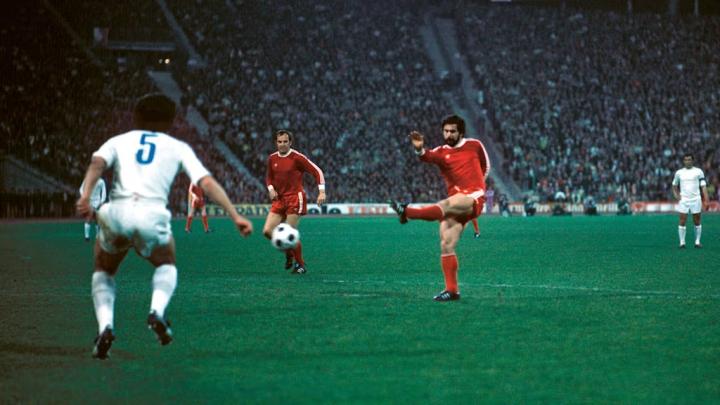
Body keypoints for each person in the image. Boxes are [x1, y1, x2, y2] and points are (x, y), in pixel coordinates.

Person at [76, 93, 253, 360]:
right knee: (166, 262)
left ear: (136, 117)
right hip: (152, 215)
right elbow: (205, 182)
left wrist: (86, 196)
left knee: (104, 269)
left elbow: (97, 164)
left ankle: (105, 328)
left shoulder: (119, 140)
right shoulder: (178, 147)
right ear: (170, 122)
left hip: (116, 212)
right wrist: (235, 215)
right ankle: (157, 311)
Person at [389, 114, 490, 302]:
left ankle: (407, 211)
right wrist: (419, 149)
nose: (448, 134)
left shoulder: (474, 145)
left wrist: (478, 187)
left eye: (452, 131)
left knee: (445, 205)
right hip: (456, 200)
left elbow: (486, 166)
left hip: (473, 197)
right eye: (446, 131)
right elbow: (427, 156)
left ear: (461, 132)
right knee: (446, 242)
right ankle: (452, 291)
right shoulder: (442, 152)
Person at [262, 130, 326, 274]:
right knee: (267, 231)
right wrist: (271, 189)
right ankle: (289, 252)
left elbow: (317, 171)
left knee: (290, 233)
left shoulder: (297, 158)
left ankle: (300, 265)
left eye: (285, 141)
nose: (282, 144)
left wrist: (321, 191)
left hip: (295, 198)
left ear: (290, 142)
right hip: (279, 200)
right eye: (280, 142)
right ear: (276, 143)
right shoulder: (272, 158)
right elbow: (269, 177)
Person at [672, 153, 709, 248]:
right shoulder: (679, 173)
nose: (688, 161)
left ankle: (697, 242)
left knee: (697, 220)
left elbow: (703, 186)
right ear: (683, 161)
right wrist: (676, 195)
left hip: (696, 199)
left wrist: (706, 199)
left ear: (693, 161)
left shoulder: (698, 171)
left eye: (689, 159)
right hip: (684, 199)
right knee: (682, 220)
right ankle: (682, 242)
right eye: (686, 160)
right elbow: (674, 185)